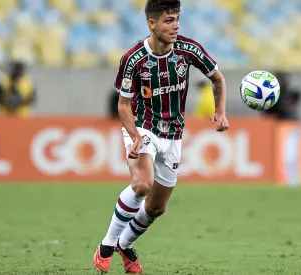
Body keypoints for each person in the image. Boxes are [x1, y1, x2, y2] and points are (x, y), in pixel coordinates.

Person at [92, 0, 230, 274]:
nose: (175, 25)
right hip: (143, 127)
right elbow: (123, 104)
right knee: (142, 184)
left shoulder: (188, 49)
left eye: (177, 19)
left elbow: (218, 79)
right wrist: (134, 136)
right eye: (168, 20)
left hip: (174, 133)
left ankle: (125, 244)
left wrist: (221, 111)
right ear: (151, 24)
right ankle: (106, 246)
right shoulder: (133, 59)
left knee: (156, 208)